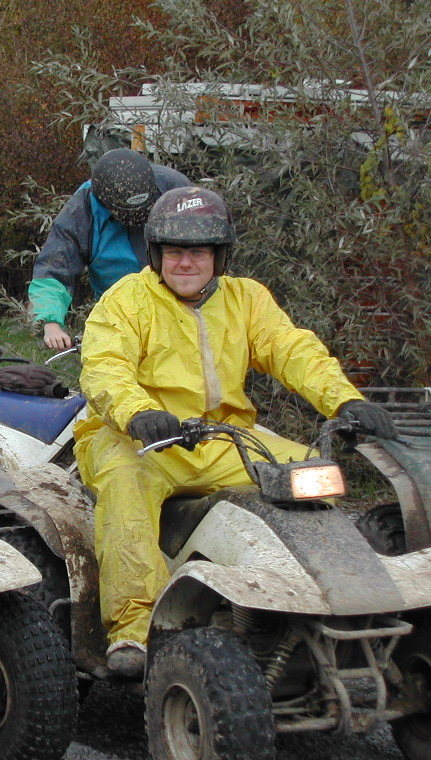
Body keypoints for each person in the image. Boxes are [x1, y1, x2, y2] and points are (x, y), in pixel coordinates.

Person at [73, 186, 397, 679]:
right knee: (125, 485)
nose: (186, 262)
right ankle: (134, 631)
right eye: (174, 251)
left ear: (219, 256)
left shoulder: (247, 298)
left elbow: (292, 349)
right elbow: (104, 367)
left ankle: (317, 601)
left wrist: (345, 399)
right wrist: (138, 412)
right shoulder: (126, 300)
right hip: (138, 438)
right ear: (156, 255)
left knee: (313, 471)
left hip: (221, 438)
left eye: (198, 251)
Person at [29, 148, 191, 350]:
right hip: (120, 317)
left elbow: (207, 252)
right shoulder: (81, 210)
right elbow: (53, 268)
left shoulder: (175, 189)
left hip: (182, 310)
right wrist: (50, 323)